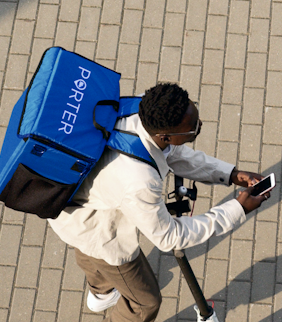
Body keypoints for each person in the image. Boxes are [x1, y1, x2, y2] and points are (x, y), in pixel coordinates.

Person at [48, 83, 269, 322]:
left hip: (73, 207)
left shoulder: (141, 111)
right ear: (165, 136)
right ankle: (106, 293)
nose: (200, 126)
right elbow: (168, 237)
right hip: (96, 231)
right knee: (145, 303)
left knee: (87, 254)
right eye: (193, 127)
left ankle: (101, 292)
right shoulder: (140, 182)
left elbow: (172, 153)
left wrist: (230, 174)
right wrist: (237, 209)